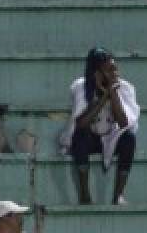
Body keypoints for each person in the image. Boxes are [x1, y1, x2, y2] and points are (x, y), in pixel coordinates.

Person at [59, 47, 140, 205]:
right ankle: (84, 193)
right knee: (80, 135)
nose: (115, 73)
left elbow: (124, 123)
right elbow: (82, 123)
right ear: (96, 73)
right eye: (109, 70)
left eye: (115, 68)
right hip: (89, 139)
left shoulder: (125, 88)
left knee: (129, 138)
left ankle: (119, 195)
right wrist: (103, 98)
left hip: (112, 137)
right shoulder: (81, 87)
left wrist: (113, 94)